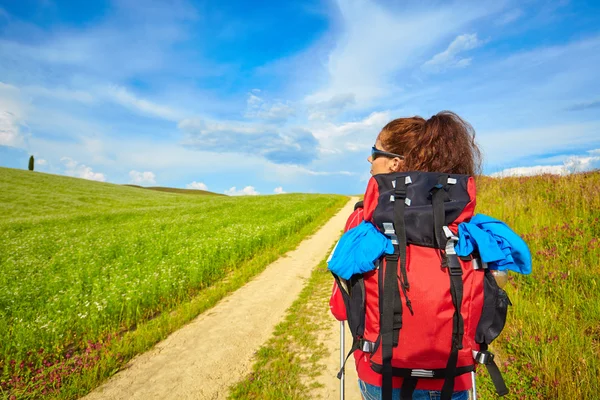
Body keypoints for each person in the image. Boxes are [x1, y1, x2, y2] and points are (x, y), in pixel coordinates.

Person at [330, 111, 481, 400]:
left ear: (395, 162)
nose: (369, 159)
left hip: (382, 377)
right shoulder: (462, 224)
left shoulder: (364, 223)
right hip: (453, 378)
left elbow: (341, 308)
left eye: (375, 152)